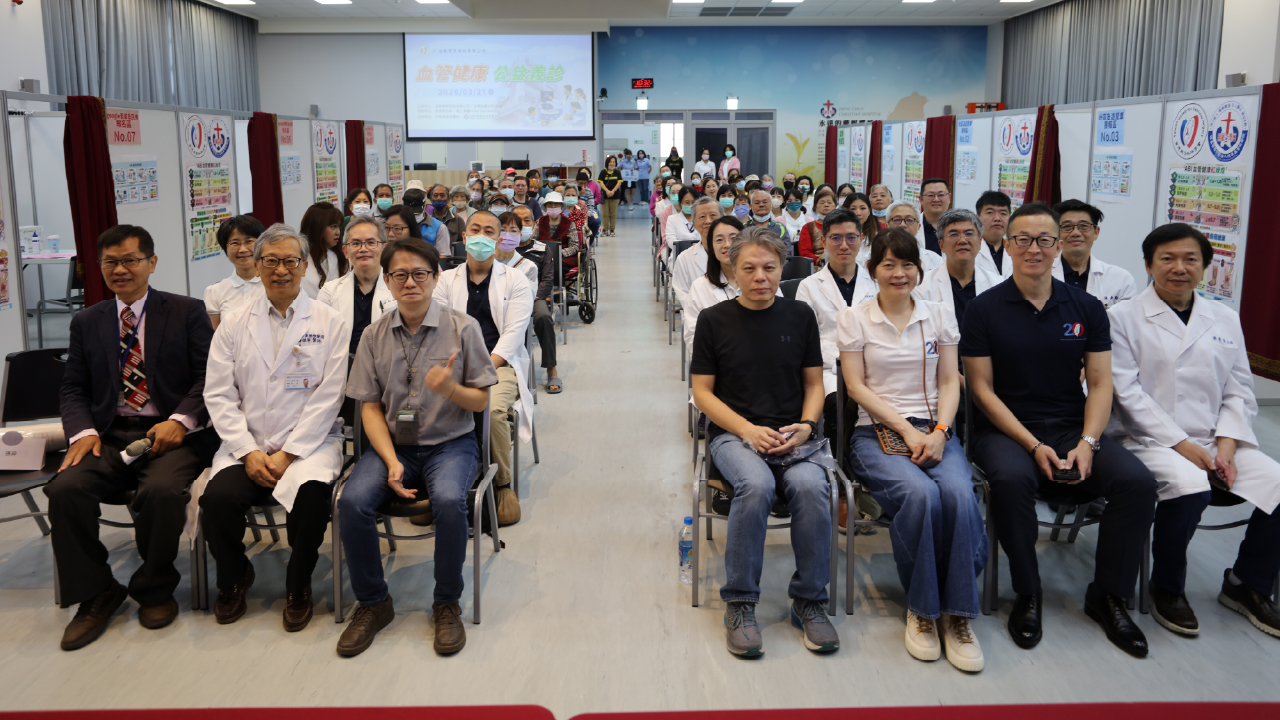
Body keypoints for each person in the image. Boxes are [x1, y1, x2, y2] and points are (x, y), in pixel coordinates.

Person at [961, 202, 1157, 658]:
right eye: (1023, 239)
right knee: (1011, 481)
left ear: (1059, 245)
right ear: (1008, 245)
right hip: (1005, 430)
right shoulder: (984, 309)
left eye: (1045, 240)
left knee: (1136, 482)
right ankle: (1028, 591)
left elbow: (1101, 383)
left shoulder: (1085, 307)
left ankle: (1108, 595)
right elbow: (982, 391)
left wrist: (1088, 443)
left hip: (1071, 425)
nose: (1034, 249)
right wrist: (1032, 445)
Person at [46, 224, 219, 651]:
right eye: (110, 262)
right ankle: (97, 592)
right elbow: (73, 388)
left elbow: (210, 377)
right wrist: (82, 432)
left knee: (161, 492)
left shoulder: (186, 311)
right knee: (65, 489)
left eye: (130, 260)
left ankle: (155, 588)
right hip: (109, 434)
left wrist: (181, 420)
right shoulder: (87, 321)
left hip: (172, 434)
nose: (120, 270)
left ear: (151, 263)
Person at [1109, 223, 1280, 639]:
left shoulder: (1224, 318)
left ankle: (1247, 582)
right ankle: (1167, 587)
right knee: (1190, 486)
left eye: (1190, 259)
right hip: (1146, 439)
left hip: (1216, 438)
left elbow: (1239, 388)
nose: (1179, 268)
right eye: (1167, 259)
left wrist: (1226, 445)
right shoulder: (1122, 317)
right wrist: (1183, 445)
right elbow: (1127, 394)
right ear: (1148, 265)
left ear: (1205, 267)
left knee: (1278, 483)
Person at [336, 237, 497, 657]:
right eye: (400, 275)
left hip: (450, 443)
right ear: (387, 281)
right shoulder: (373, 335)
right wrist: (390, 460)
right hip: (395, 447)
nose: (410, 283)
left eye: (420, 274)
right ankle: (374, 602)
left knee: (448, 501)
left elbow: (481, 401)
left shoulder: (463, 328)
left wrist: (451, 389)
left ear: (436, 277)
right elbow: (370, 407)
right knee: (351, 502)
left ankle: (446, 602)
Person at [839, 226, 987, 672]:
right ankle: (923, 610)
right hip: (875, 433)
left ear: (920, 270)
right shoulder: (855, 318)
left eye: (907, 265)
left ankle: (957, 615)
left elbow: (949, 381)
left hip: (935, 429)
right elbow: (855, 387)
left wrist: (940, 431)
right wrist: (906, 429)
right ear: (873, 270)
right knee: (921, 495)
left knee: (959, 494)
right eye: (889, 265)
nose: (899, 273)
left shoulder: (939, 315)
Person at [689, 225, 839, 658]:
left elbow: (814, 384)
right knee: (756, 485)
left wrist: (807, 425)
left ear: (782, 268)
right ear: (732, 270)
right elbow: (702, 393)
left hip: (794, 434)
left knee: (812, 487)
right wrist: (747, 430)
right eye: (749, 268)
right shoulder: (714, 320)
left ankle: (809, 599)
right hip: (734, 434)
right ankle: (740, 602)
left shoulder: (800, 315)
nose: (760, 277)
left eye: (770, 268)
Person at [200, 223, 349, 631]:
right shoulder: (234, 322)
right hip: (246, 444)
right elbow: (218, 393)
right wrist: (248, 451)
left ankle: (299, 584)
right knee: (217, 502)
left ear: (304, 267)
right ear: (257, 264)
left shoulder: (330, 321)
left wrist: (289, 453)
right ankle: (234, 577)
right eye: (271, 261)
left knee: (311, 500)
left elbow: (330, 395)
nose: (280, 270)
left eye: (290, 261)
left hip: (310, 446)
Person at [432, 210, 534, 527]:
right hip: (453, 364)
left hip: (498, 364)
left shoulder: (515, 280)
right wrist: (458, 372)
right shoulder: (445, 280)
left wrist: (481, 370)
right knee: (425, 403)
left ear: (498, 239)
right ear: (464, 238)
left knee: (492, 410)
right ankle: (432, 481)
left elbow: (513, 335)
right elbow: (438, 327)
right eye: (474, 229)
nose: (481, 236)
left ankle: (502, 484)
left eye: (489, 231)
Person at [795, 208, 877, 396]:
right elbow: (805, 341)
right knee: (839, 403)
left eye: (851, 238)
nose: (844, 245)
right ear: (824, 241)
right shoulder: (808, 286)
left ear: (861, 239)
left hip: (873, 367)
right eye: (836, 238)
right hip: (828, 370)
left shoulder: (876, 283)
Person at [318, 215, 394, 355]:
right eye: (355, 243)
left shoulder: (399, 288)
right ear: (345, 251)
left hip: (387, 363)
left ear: (384, 248)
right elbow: (321, 339)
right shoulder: (329, 292)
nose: (363, 249)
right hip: (342, 364)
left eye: (371, 242)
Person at [914, 209, 1002, 329]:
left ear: (980, 242)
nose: (962, 240)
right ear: (941, 245)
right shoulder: (921, 287)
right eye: (954, 235)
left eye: (969, 234)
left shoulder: (997, 285)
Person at [510, 205, 561, 393]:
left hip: (534, 297)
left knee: (544, 318)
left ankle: (551, 368)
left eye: (527, 220)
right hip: (506, 297)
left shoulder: (543, 249)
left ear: (533, 224)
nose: (523, 224)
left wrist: (533, 296)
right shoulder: (503, 247)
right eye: (518, 220)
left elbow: (547, 280)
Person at [1050, 199, 1137, 308]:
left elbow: (1128, 317)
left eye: (1084, 226)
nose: (1076, 233)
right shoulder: (1041, 274)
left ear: (1096, 232)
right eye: (1067, 227)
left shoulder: (1121, 279)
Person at [205, 215, 265, 329]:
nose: (242, 249)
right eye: (235, 243)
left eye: (249, 241)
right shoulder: (215, 291)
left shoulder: (276, 284)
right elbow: (214, 335)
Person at [670, 196, 723, 310]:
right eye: (702, 217)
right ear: (694, 224)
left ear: (723, 219)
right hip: (697, 316)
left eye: (713, 215)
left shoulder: (735, 255)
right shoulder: (684, 259)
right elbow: (683, 295)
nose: (708, 221)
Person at [299, 202, 349, 298]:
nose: (338, 232)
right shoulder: (297, 259)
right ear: (317, 227)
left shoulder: (339, 257)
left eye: (338, 227)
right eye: (333, 226)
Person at [884, 202, 944, 271]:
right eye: (897, 220)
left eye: (909, 220)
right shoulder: (875, 256)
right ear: (887, 226)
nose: (903, 225)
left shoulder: (935, 260)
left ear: (918, 227)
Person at [663, 187, 702, 277]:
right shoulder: (672, 219)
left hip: (700, 255)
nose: (690, 205)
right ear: (680, 202)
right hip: (679, 256)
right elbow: (671, 241)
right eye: (687, 202)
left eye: (693, 202)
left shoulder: (702, 219)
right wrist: (692, 245)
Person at [496, 210, 539, 290]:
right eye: (502, 230)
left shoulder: (529, 267)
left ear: (520, 236)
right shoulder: (483, 263)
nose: (507, 235)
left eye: (513, 231)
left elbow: (528, 296)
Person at [975, 190, 1012, 278]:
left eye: (1003, 213)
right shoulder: (968, 249)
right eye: (990, 213)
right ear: (977, 219)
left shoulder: (1017, 249)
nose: (997, 218)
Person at [402, 187, 449, 257]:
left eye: (417, 210)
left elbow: (443, 255)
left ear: (425, 206)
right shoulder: (397, 225)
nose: (414, 214)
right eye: (410, 210)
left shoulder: (440, 228)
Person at [798, 188, 838, 263]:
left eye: (829, 202)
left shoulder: (841, 226)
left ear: (835, 206)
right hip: (816, 266)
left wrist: (828, 256)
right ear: (815, 206)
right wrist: (821, 260)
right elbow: (804, 254)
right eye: (822, 203)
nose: (826, 205)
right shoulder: (808, 227)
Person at [919, 178, 952, 255]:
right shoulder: (912, 226)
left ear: (949, 198)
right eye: (931, 195)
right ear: (921, 199)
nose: (936, 199)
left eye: (941, 195)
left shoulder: (958, 226)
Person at [598, 155, 623, 237]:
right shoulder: (603, 172)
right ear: (607, 163)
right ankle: (605, 229)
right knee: (605, 214)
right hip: (605, 196)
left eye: (613, 162)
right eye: (610, 162)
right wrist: (607, 191)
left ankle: (612, 229)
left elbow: (619, 182)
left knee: (613, 214)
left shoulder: (617, 172)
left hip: (615, 196)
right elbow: (601, 183)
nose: (612, 163)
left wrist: (612, 191)